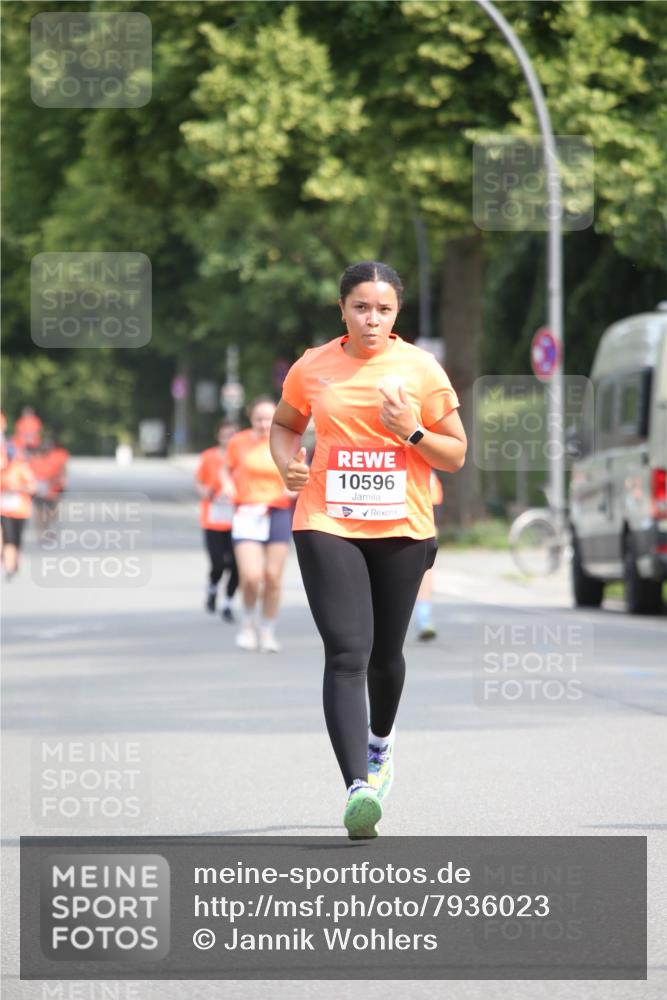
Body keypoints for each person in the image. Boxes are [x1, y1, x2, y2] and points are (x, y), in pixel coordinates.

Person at [270, 260, 466, 839]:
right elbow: (284, 425)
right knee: (346, 652)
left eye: (383, 309)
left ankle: (380, 743)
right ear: (342, 310)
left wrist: (411, 429)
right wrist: (288, 464)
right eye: (361, 307)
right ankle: (357, 787)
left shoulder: (421, 369)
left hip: (402, 526)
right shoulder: (313, 366)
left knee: (385, 656)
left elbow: (454, 454)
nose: (371, 319)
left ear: (396, 313)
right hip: (326, 518)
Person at [223, 397, 295, 653]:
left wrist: (293, 488)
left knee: (273, 577)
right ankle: (247, 624)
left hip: (277, 511)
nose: (265, 424)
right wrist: (228, 486)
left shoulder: (286, 440)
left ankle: (267, 630)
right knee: (251, 576)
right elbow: (226, 470)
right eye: (259, 419)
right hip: (247, 511)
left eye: (269, 418)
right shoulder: (238, 442)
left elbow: (299, 471)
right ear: (251, 419)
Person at [194, 421, 239, 621]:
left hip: (237, 519)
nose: (228, 439)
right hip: (213, 519)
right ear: (218, 436)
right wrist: (205, 492)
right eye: (225, 435)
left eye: (232, 435)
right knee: (218, 563)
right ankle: (213, 588)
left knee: (238, 566)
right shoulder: (209, 457)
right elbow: (199, 482)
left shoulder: (242, 457)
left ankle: (228, 602)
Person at [414, 472, 444, 641]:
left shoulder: (430, 477)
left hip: (418, 528)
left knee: (426, 569)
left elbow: (435, 508)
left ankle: (424, 618)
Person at [1, 443, 37, 579]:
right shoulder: (1, 469)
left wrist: (17, 488)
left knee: (17, 539)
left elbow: (32, 488)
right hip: (4, 511)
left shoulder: (21, 469)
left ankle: (15, 561)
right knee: (8, 538)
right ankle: (9, 567)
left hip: (21, 510)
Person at [29, 434, 69, 539]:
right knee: (40, 513)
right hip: (38, 491)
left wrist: (56, 482)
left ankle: (49, 529)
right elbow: (28, 475)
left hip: (53, 490)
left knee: (51, 512)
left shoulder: (55, 458)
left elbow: (61, 472)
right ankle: (41, 533)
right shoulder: (33, 461)